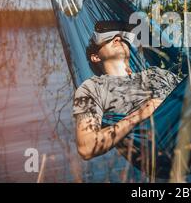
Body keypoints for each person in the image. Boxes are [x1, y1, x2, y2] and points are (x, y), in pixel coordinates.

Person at [73, 20, 181, 160]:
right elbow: (86, 147)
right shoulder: (92, 88)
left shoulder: (156, 72)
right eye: (107, 38)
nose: (118, 38)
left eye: (123, 37)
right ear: (96, 57)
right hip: (163, 144)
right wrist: (141, 114)